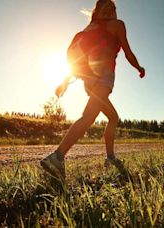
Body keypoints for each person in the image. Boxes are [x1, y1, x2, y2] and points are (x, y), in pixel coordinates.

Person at [40, 0, 145, 179]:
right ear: (109, 9)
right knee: (89, 116)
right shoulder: (117, 25)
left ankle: (110, 158)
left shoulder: (89, 29)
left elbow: (77, 60)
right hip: (103, 78)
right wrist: (139, 68)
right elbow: (128, 52)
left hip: (89, 80)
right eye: (113, 8)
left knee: (113, 117)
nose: (115, 11)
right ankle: (57, 157)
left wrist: (64, 82)